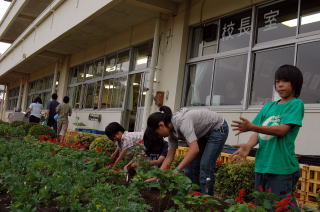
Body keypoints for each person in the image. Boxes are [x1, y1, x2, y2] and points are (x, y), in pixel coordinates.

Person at [231, 65, 304, 205]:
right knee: (261, 205)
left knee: (280, 206)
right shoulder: (268, 107)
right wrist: (248, 145)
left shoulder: (296, 104)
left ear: (295, 83)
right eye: (277, 81)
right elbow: (257, 132)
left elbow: (282, 130)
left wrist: (252, 126)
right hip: (262, 165)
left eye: (284, 81)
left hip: (282, 168)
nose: (280, 85)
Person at [146, 106, 229, 195]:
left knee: (206, 166)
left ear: (161, 125)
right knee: (190, 169)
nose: (160, 136)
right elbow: (169, 157)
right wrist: (158, 176)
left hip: (218, 128)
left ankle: (207, 201)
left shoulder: (183, 122)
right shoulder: (171, 133)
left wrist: (177, 170)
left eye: (157, 132)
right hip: (203, 134)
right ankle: (195, 198)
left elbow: (194, 150)